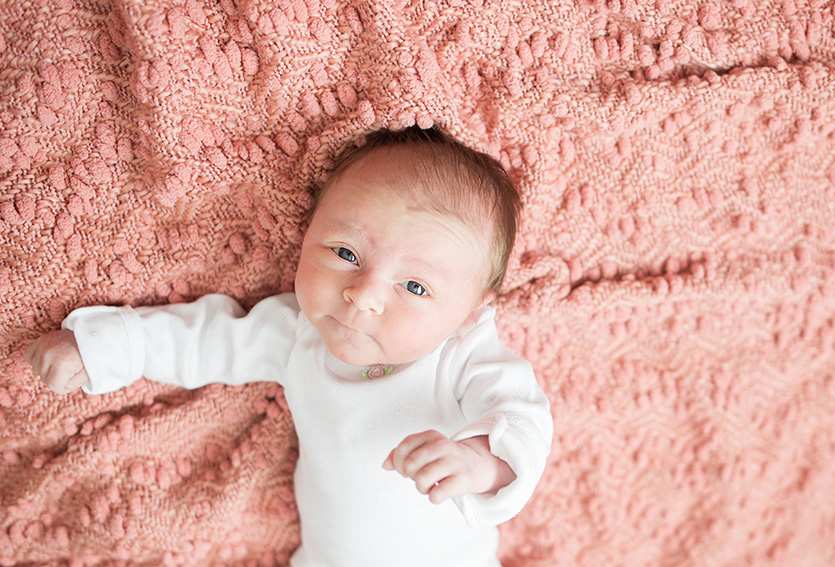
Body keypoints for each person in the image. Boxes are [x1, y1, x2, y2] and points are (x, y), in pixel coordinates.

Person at [25, 127, 553, 567]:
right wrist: (100, 349)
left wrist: (480, 462)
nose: (362, 295)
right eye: (345, 251)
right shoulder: (299, 334)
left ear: (472, 311)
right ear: (308, 234)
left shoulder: (461, 357)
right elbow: (206, 340)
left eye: (414, 287)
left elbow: (523, 420)